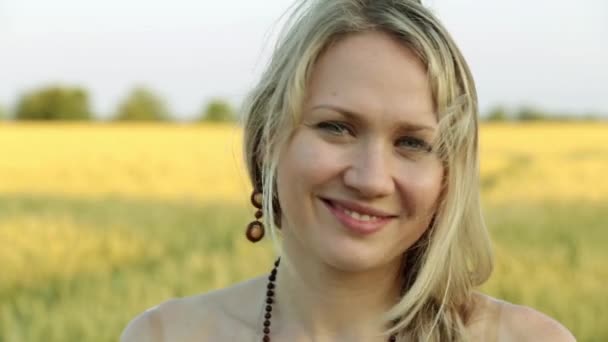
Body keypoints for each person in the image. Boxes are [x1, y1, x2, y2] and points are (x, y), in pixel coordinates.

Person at [121, 0, 576, 341]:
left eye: (412, 142)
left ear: (448, 177)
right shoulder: (164, 334)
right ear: (266, 141)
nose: (371, 178)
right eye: (336, 127)